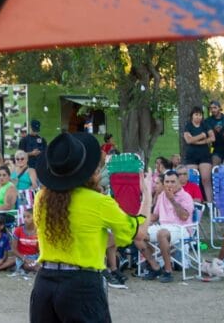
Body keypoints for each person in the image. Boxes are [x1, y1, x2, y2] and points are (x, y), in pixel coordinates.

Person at [30, 131, 151, 322]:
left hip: (44, 284)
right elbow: (140, 232)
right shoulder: (99, 202)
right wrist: (147, 193)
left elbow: (80, 233)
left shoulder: (41, 199)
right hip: (81, 287)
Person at [136, 169, 195, 283]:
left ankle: (168, 271)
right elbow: (155, 216)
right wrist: (139, 218)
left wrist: (172, 199)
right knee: (138, 234)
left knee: (161, 233)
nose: (169, 184)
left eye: (173, 182)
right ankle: (155, 267)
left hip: (181, 228)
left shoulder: (185, 196)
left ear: (178, 182)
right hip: (163, 227)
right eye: (167, 182)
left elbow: (184, 217)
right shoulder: (161, 195)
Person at [182, 106, 214, 202]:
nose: (198, 117)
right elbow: (188, 140)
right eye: (196, 114)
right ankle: (193, 202)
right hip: (192, 155)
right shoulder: (188, 126)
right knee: (192, 179)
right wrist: (202, 135)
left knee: (206, 179)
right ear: (192, 116)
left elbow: (212, 138)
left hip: (204, 154)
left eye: (200, 115)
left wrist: (199, 141)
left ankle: (210, 203)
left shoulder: (205, 125)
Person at [204, 101, 224, 166]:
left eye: (215, 107)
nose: (213, 110)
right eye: (211, 108)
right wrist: (214, 131)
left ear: (220, 108)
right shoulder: (207, 121)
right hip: (216, 148)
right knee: (215, 166)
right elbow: (206, 136)